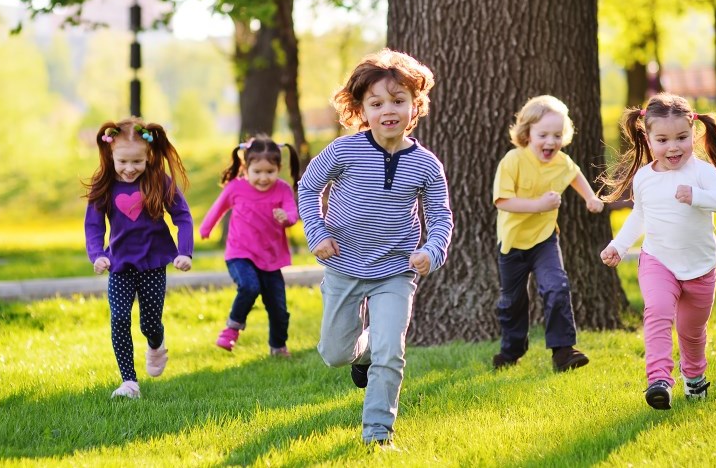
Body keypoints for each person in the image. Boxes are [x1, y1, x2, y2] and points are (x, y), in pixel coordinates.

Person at [297, 48, 453, 448]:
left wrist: (431, 252)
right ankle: (363, 349)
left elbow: (440, 219)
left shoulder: (427, 165)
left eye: (399, 101)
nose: (389, 110)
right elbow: (308, 187)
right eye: (377, 102)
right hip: (344, 265)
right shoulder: (343, 150)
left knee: (392, 352)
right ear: (361, 109)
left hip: (395, 272)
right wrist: (317, 234)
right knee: (335, 353)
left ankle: (378, 435)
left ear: (414, 107)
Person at [599, 92, 716, 410]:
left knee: (691, 333)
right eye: (663, 139)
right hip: (657, 261)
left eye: (681, 138)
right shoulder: (644, 178)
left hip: (700, 267)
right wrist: (618, 245)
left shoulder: (701, 173)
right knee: (657, 314)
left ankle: (694, 379)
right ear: (648, 138)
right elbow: (640, 215)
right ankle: (659, 382)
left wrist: (697, 196)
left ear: (693, 133)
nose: (673, 147)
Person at [491, 95, 606, 373]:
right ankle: (511, 350)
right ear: (527, 133)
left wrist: (590, 197)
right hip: (513, 243)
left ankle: (563, 352)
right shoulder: (513, 160)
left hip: (544, 239)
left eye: (557, 135)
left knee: (556, 288)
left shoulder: (561, 161)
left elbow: (575, 174)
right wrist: (540, 205)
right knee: (512, 302)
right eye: (543, 135)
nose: (550, 142)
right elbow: (503, 201)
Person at [84, 118, 194, 400]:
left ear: (148, 156)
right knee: (119, 318)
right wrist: (97, 255)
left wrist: (184, 252)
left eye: (137, 162)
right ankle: (129, 382)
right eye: (123, 162)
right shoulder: (104, 186)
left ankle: (156, 345)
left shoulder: (159, 181)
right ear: (111, 155)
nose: (129, 168)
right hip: (119, 265)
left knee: (149, 323)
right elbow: (94, 226)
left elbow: (182, 217)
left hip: (153, 263)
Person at [199, 136, 300, 358]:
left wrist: (287, 217)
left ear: (278, 169)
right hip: (239, 253)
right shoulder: (236, 187)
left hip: (271, 259)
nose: (264, 178)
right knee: (249, 286)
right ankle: (232, 328)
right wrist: (205, 229)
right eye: (258, 172)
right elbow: (218, 208)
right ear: (246, 168)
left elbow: (293, 213)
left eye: (270, 172)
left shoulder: (282, 190)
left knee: (279, 311)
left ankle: (278, 347)